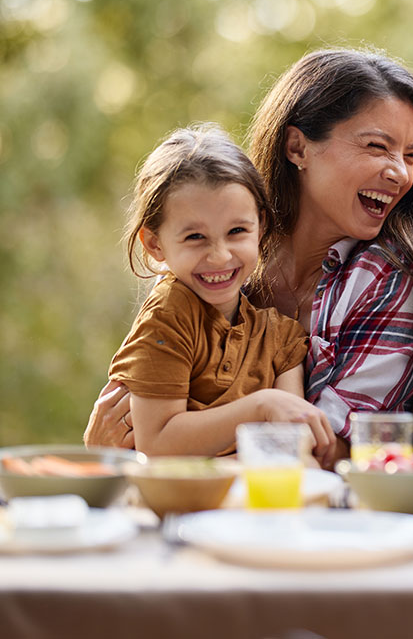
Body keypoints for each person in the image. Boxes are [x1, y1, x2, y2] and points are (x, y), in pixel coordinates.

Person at [85, 49, 413, 461]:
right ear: (297, 147)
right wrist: (106, 452)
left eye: (411, 156)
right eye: (377, 146)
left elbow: (319, 448)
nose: (400, 172)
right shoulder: (221, 260)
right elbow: (145, 425)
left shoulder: (386, 278)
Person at [106, 124, 336, 463]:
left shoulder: (281, 338)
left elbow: (292, 450)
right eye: (195, 237)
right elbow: (156, 443)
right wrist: (262, 406)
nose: (219, 256)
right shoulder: (169, 315)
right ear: (155, 244)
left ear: (260, 225)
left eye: (237, 231)